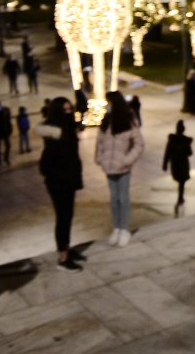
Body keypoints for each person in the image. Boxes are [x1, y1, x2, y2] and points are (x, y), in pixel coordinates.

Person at [37, 97, 85, 272]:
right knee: (63, 218)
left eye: (70, 109)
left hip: (68, 181)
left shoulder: (67, 130)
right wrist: (62, 176)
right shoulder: (55, 136)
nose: (69, 113)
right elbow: (45, 165)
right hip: (59, 184)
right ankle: (63, 257)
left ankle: (67, 248)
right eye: (65, 110)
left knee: (68, 216)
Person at [95, 91, 144, 247]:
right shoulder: (105, 121)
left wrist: (126, 160)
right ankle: (116, 228)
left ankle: (125, 229)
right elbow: (99, 142)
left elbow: (139, 144)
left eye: (108, 103)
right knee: (114, 198)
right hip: (109, 167)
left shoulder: (128, 121)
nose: (107, 106)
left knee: (123, 197)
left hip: (123, 168)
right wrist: (100, 158)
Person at [162, 120, 193, 213]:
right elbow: (190, 153)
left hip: (175, 163)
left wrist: (165, 164)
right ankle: (180, 197)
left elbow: (167, 153)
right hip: (183, 163)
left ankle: (180, 197)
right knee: (182, 182)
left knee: (179, 179)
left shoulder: (171, 140)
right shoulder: (186, 141)